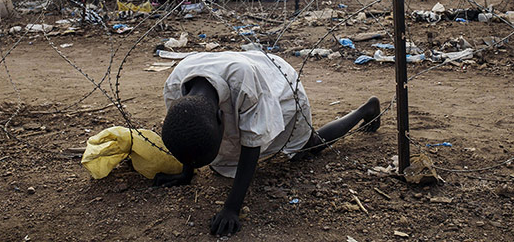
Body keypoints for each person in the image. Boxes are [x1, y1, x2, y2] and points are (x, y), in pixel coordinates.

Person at [156, 51, 381, 236]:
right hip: (243, 73)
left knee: (308, 146)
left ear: (219, 116)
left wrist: (232, 208)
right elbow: (186, 127)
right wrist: (186, 174)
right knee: (217, 157)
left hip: (278, 84)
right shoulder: (175, 88)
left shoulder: (244, 86)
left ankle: (365, 109)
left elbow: (251, 144)